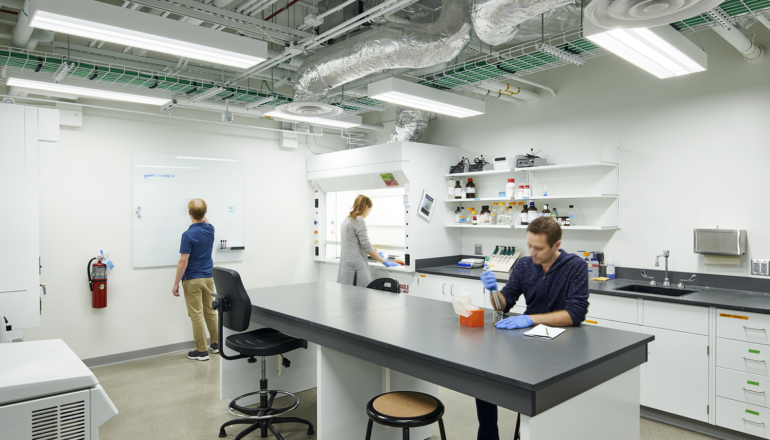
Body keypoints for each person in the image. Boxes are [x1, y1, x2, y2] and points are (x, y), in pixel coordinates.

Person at [477, 216, 589, 440]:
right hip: (527, 341)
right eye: (529, 245)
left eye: (538, 248)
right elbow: (504, 303)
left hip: (562, 345)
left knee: (540, 406)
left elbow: (575, 314)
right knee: (485, 381)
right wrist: (492, 291)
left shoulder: (575, 266)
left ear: (556, 245)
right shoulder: (525, 265)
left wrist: (530, 319)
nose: (532, 253)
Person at [172, 198, 219, 361]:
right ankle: (216, 344)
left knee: (197, 314)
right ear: (205, 213)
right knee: (210, 311)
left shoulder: (188, 235)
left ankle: (201, 351)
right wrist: (201, 210)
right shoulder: (210, 230)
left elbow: (183, 261)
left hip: (192, 279)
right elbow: (204, 219)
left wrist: (176, 282)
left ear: (189, 213)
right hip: (208, 278)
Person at [338, 195, 401, 287]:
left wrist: (375, 252)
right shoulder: (359, 221)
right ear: (366, 207)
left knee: (347, 297)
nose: (368, 213)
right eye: (369, 210)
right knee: (361, 297)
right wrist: (384, 261)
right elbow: (366, 246)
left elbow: (353, 245)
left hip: (346, 267)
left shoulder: (346, 220)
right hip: (356, 268)